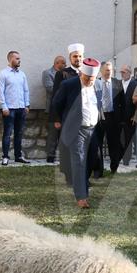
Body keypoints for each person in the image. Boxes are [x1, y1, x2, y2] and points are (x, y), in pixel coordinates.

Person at [51, 57, 102, 209]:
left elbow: (98, 104)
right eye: (87, 78)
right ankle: (81, 196)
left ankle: (83, 186)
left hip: (92, 129)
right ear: (81, 75)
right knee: (79, 161)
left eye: (92, 79)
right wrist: (61, 120)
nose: (89, 81)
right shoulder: (69, 85)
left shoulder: (97, 85)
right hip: (76, 130)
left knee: (92, 159)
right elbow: (56, 103)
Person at [53, 43, 84, 182]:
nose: (78, 59)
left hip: (84, 118)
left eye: (80, 56)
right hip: (67, 117)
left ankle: (83, 175)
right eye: (75, 56)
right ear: (70, 57)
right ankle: (69, 175)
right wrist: (57, 118)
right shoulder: (62, 74)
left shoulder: (87, 73)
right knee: (67, 147)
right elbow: (56, 98)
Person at [0, 50, 31, 165]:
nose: (19, 60)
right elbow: (1, 92)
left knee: (19, 133)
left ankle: (18, 156)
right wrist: (3, 107)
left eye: (19, 58)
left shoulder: (22, 74)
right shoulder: (3, 74)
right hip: (9, 109)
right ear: (10, 59)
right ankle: (5, 157)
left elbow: (26, 90)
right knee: (7, 133)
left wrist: (27, 104)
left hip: (21, 108)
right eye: (17, 58)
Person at [96, 61, 124, 174]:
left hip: (113, 117)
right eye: (107, 70)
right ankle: (98, 170)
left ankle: (114, 167)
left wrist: (122, 119)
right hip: (99, 117)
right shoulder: (96, 83)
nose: (109, 72)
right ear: (101, 71)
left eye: (111, 70)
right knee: (98, 144)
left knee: (114, 143)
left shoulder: (117, 83)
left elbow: (122, 102)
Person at [42, 55, 66, 163]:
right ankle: (50, 156)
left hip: (65, 108)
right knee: (53, 133)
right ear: (57, 63)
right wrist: (65, 89)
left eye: (65, 63)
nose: (64, 65)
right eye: (62, 63)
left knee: (64, 133)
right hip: (53, 107)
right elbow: (50, 88)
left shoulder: (67, 74)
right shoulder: (47, 73)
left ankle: (63, 156)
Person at [119, 65, 137, 166]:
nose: (122, 74)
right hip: (119, 117)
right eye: (121, 72)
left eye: (124, 72)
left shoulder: (135, 84)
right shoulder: (117, 83)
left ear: (129, 73)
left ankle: (126, 159)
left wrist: (135, 115)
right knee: (119, 138)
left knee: (128, 139)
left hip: (130, 117)